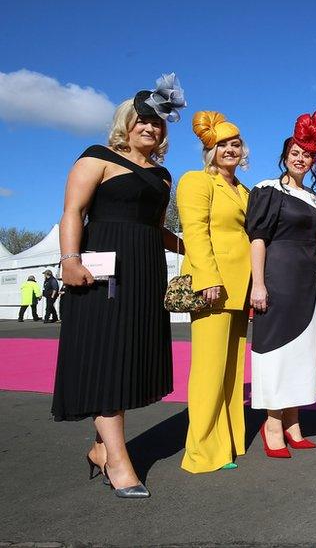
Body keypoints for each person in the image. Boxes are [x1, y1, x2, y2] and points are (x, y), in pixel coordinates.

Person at [51, 74, 187, 498]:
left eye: (158, 123)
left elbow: (158, 227)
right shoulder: (97, 157)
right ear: (126, 123)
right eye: (142, 120)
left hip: (145, 273)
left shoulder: (164, 176)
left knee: (128, 359)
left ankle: (100, 448)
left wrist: (195, 245)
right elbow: (73, 211)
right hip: (99, 272)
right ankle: (118, 461)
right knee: (107, 358)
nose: (150, 127)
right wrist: (69, 260)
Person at [247, 112, 316, 456]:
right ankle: (272, 423)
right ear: (285, 155)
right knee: (276, 351)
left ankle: (293, 421)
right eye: (296, 152)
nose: (301, 158)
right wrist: (258, 283)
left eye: (307, 154)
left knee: (302, 353)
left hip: (307, 282)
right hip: (277, 277)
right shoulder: (268, 189)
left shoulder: (312, 197)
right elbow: (257, 238)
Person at [177, 111, 252, 472]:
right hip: (213, 287)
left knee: (231, 370)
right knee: (208, 370)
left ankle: (230, 442)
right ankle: (203, 451)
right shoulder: (196, 181)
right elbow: (194, 232)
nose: (229, 150)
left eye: (235, 144)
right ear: (209, 150)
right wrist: (208, 277)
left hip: (240, 288)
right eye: (221, 144)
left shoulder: (243, 189)